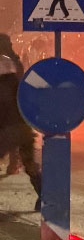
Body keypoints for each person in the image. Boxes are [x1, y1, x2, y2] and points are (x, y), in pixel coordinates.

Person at [0, 33, 41, 210]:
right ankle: (46, 199)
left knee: (30, 164)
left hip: (8, 127)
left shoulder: (6, 64)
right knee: (30, 165)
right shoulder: (16, 64)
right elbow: (34, 85)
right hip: (22, 124)